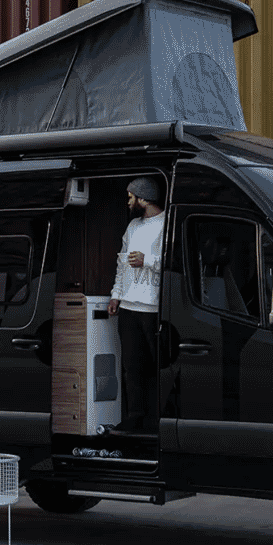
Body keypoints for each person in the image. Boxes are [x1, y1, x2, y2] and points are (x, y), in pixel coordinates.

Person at [108, 177, 165, 432]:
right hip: (129, 307)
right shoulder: (132, 226)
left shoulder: (166, 223)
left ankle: (157, 420)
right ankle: (135, 418)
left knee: (158, 367)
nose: (128, 201)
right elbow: (122, 263)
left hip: (155, 308)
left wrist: (148, 260)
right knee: (132, 367)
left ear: (144, 198)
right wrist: (116, 294)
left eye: (131, 196)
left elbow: (174, 261)